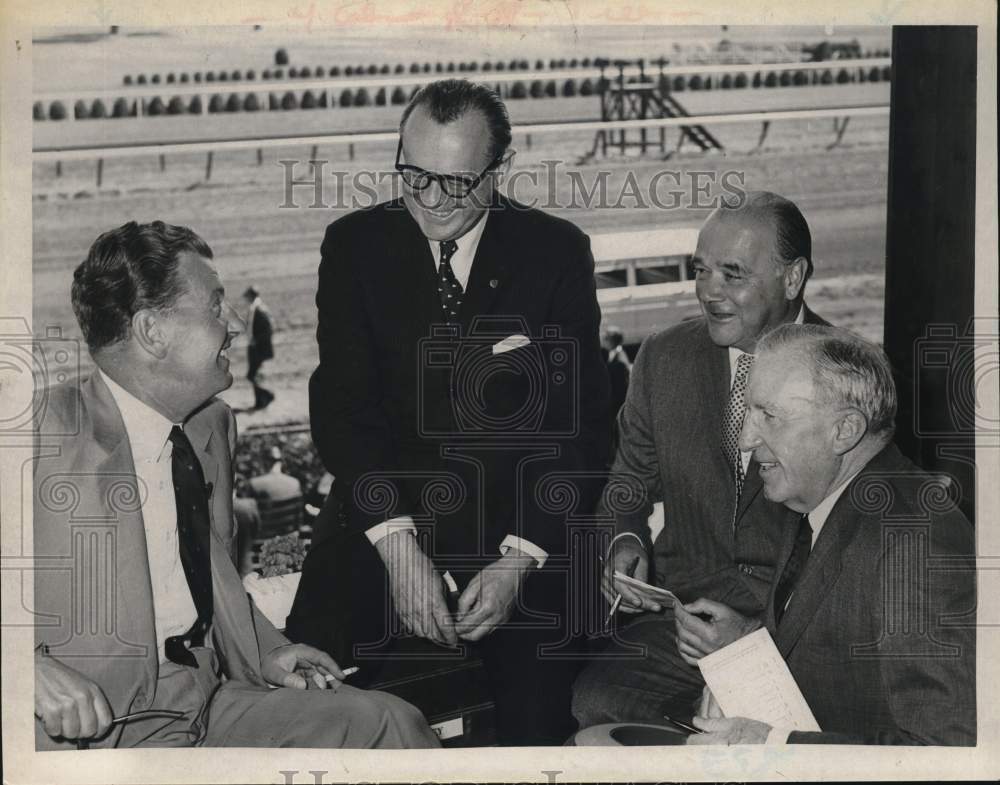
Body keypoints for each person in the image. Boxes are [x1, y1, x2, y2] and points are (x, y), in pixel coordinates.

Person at [33, 221, 439, 750]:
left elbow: (210, 575)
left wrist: (269, 650)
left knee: (390, 725)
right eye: (214, 305)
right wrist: (24, 670)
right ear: (152, 331)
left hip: (203, 701)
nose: (234, 325)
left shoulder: (211, 426)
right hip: (91, 737)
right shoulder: (36, 431)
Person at [290, 79, 611, 745]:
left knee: (538, 725)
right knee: (301, 700)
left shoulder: (555, 252)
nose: (432, 201)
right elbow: (344, 412)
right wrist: (398, 546)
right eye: (415, 177)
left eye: (458, 183)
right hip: (382, 516)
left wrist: (519, 559)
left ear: (502, 169)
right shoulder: (352, 246)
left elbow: (580, 431)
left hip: (519, 525)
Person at [573, 191, 829, 727]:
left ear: (792, 277)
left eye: (732, 274)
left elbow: (856, 545)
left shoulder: (846, 374)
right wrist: (624, 543)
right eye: (701, 270)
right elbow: (627, 483)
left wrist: (758, 635)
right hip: (680, 619)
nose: (709, 292)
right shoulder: (663, 357)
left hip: (797, 634)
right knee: (597, 707)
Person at [687, 325, 975, 745]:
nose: (746, 440)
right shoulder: (817, 494)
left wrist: (772, 747)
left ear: (845, 431)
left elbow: (949, 751)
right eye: (749, 412)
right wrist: (744, 653)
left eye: (769, 416)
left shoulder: (914, 545)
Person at [243, 285, 274, 410]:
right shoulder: (256, 307)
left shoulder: (259, 308)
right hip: (255, 346)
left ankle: (267, 395)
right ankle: (260, 402)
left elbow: (268, 329)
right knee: (255, 375)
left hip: (258, 347)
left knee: (253, 375)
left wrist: (257, 342)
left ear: (251, 295)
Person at [601, 325, 632, 454]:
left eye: (605, 338)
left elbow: (621, 386)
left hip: (617, 402)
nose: (603, 340)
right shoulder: (615, 355)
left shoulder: (619, 359)